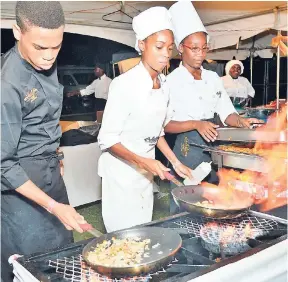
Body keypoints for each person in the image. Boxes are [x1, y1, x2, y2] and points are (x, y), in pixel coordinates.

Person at [1, 2, 87, 281]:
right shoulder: (7, 84)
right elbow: (3, 165)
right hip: (18, 189)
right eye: (41, 48)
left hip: (50, 173)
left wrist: (57, 155)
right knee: (31, 267)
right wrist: (52, 206)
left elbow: (47, 118)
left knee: (65, 255)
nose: (50, 56)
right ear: (17, 32)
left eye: (56, 47)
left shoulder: (45, 58)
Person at [97, 6, 192, 233]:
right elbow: (107, 139)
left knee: (142, 233)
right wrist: (143, 161)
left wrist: (175, 162)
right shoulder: (123, 85)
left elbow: (156, 131)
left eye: (169, 48)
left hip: (146, 172)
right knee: (123, 238)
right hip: (121, 174)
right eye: (159, 47)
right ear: (142, 45)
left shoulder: (164, 85)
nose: (165, 54)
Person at [165, 1, 263, 214]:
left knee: (213, 201)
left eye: (204, 48)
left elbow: (227, 113)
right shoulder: (170, 82)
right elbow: (164, 126)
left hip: (214, 145)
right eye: (194, 49)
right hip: (186, 149)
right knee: (185, 203)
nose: (200, 54)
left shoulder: (213, 78)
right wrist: (195, 123)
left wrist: (242, 122)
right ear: (181, 48)